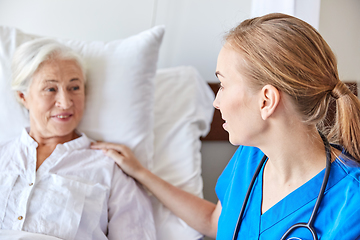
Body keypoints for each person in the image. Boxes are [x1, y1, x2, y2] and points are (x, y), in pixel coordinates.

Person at [91, 13, 360, 239]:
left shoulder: (351, 202)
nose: (216, 102)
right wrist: (141, 173)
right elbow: (214, 220)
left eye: (224, 84)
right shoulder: (251, 157)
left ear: (266, 100)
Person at [0, 38, 156, 240]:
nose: (65, 103)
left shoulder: (109, 168)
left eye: (74, 88)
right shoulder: (3, 156)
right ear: (23, 96)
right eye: (50, 89)